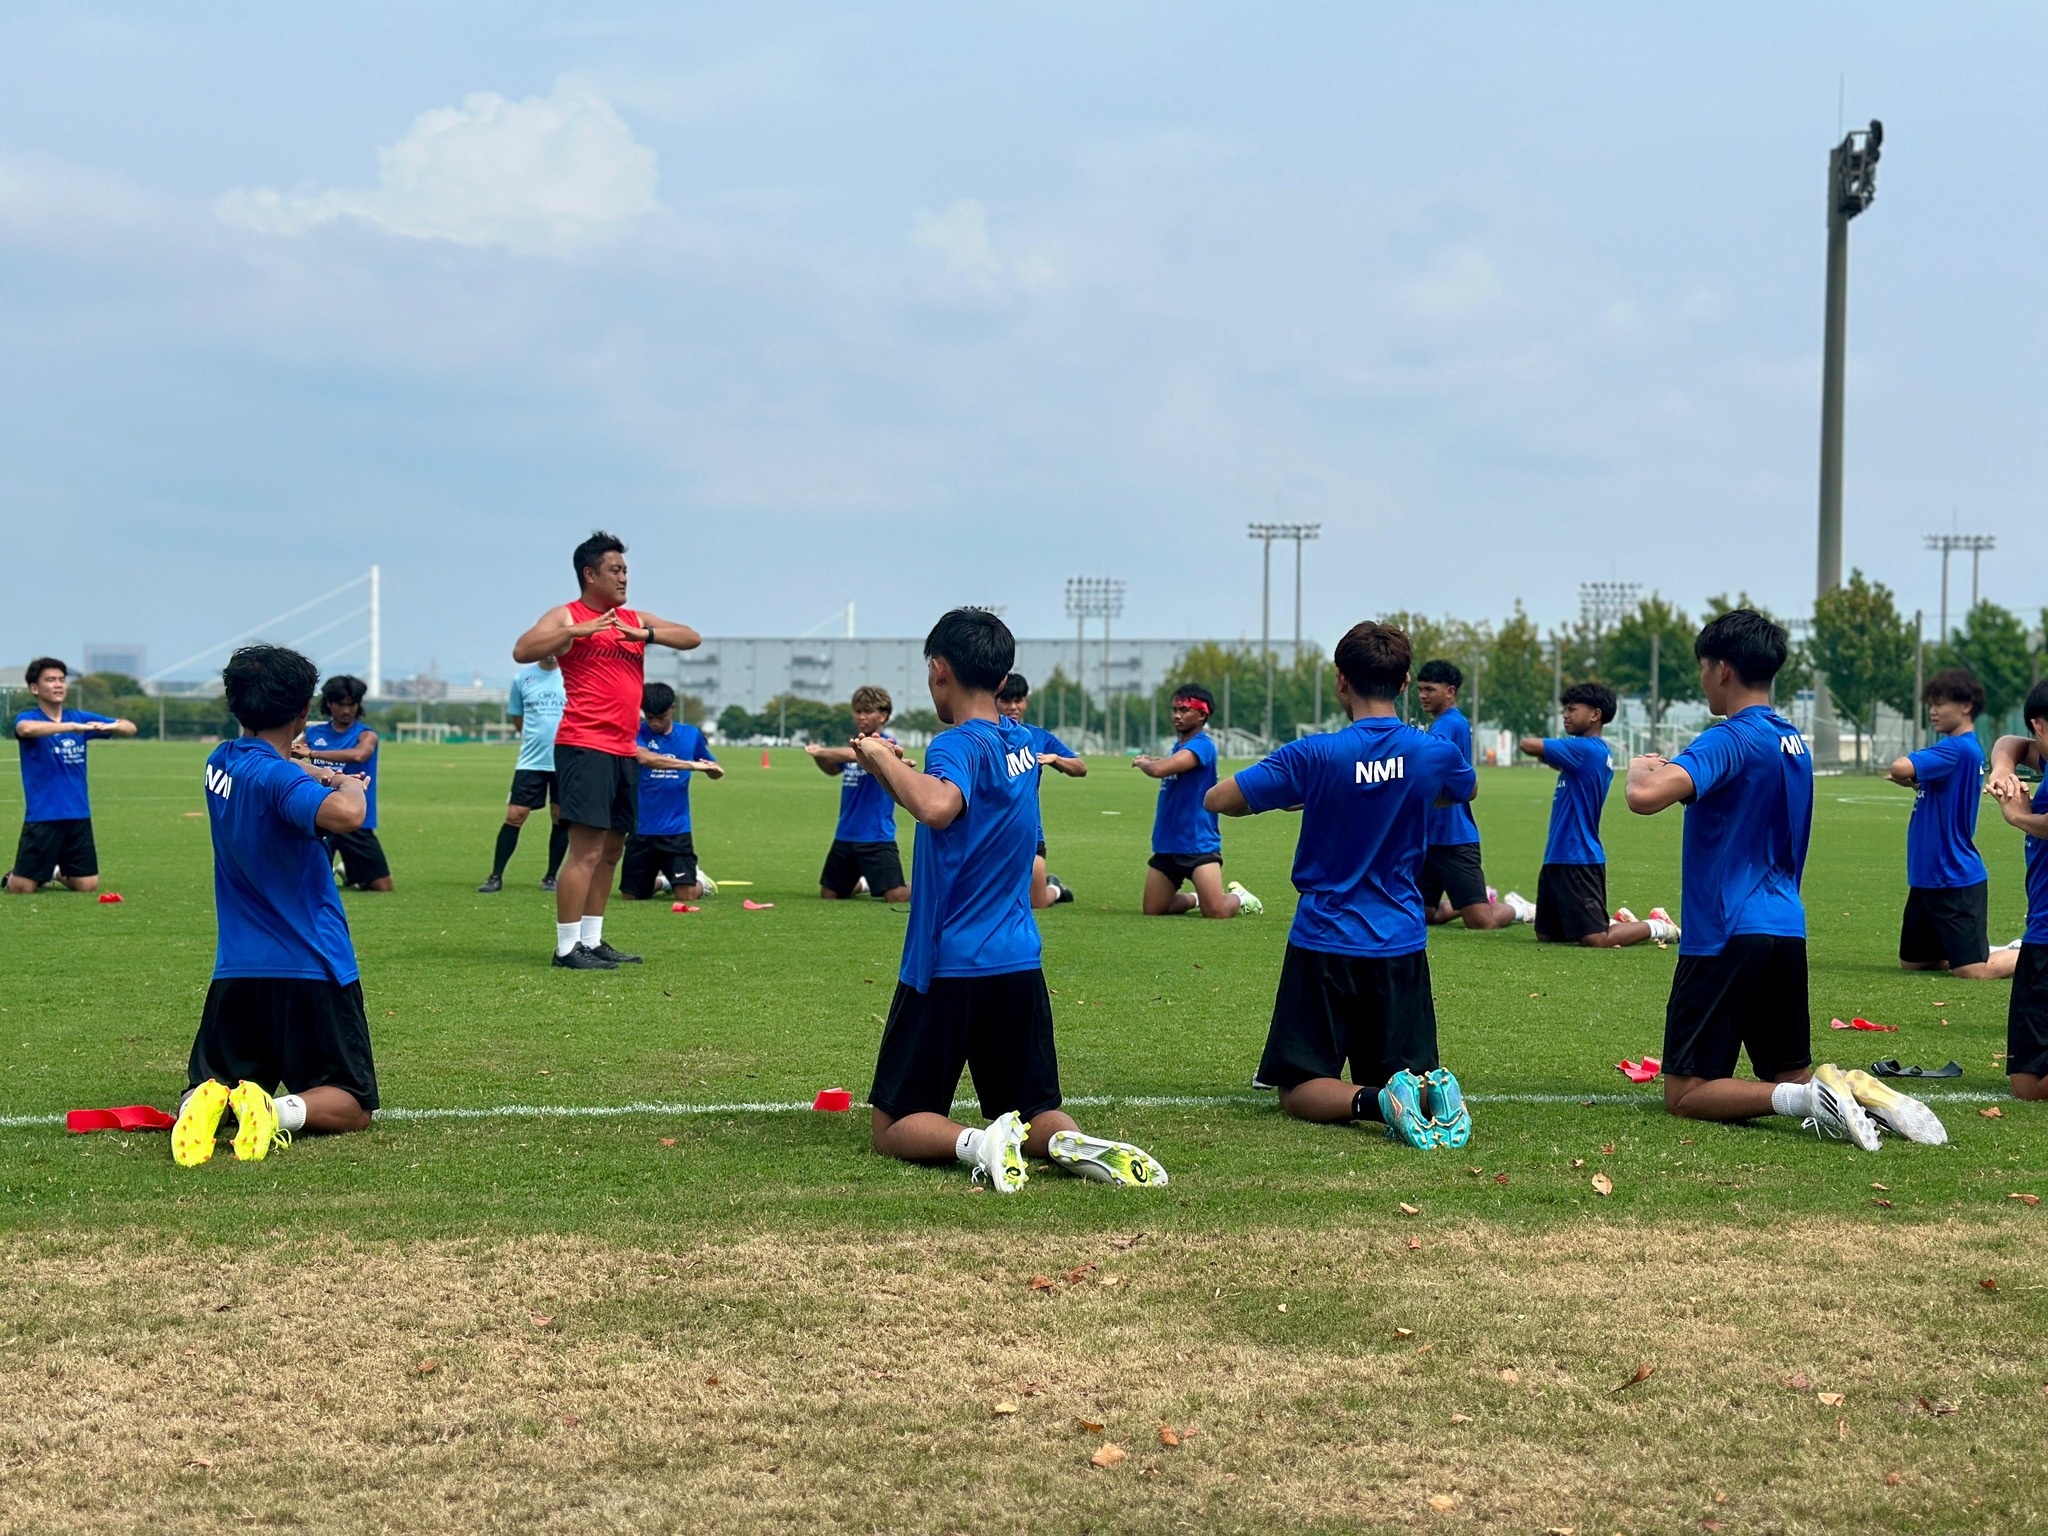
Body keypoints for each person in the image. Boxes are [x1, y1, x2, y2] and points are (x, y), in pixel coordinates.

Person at [856, 608, 1167, 1191]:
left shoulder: (956, 744)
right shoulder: (1023, 743)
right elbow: (957, 807)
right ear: (1002, 680)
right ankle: (1070, 1143)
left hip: (948, 964)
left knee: (892, 1125)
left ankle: (979, 1142)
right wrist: (892, 771)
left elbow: (937, 807)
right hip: (1017, 962)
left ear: (939, 669)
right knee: (1037, 1110)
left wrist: (876, 756)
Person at [1624, 609, 1944, 1148]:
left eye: (1703, 669)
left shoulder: (1729, 738)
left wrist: (1639, 768)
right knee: (1789, 1069)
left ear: (1722, 669)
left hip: (1725, 931)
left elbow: (1644, 798)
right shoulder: (1793, 742)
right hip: (1784, 924)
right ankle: (1852, 1089)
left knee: (1683, 1093)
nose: (1702, 680)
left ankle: (1808, 1100)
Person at [1205, 621, 1476, 1149]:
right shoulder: (1433, 752)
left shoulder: (1314, 756)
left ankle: (1377, 1104)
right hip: (1400, 940)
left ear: (1340, 681)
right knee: (1410, 1076)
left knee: (1298, 1087)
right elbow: (1458, 791)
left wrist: (1308, 795)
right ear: (1403, 685)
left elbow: (1219, 799)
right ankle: (1417, 1099)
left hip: (1325, 940)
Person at [172, 644, 378, 1167]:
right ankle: (274, 1111)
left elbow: (281, 772)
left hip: (238, 968)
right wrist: (347, 783)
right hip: (310, 963)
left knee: (213, 1080)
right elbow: (347, 817)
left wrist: (312, 769)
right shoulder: (280, 779)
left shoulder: (220, 761)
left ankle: (203, 1103)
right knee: (351, 1101)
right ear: (304, 710)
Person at [512, 530, 702, 970]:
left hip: (623, 750)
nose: (623, 578)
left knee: (612, 849)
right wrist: (575, 631)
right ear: (590, 574)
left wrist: (645, 633)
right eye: (615, 571)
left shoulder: (629, 618)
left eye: (626, 571)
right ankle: (565, 949)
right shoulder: (568, 615)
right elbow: (523, 649)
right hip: (584, 747)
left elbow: (691, 636)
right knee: (586, 850)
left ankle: (592, 940)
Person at [1511, 682, 1678, 949]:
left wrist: (1547, 750)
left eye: (1571, 709)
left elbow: (1528, 745)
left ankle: (1659, 926)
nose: (1565, 715)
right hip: (1556, 857)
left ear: (1594, 715)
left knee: (1596, 939)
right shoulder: (1590, 752)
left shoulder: (1586, 749)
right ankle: (1615, 921)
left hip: (1580, 858)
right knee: (1548, 935)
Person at [1886, 669, 2015, 980]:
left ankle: (2030, 951)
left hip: (1954, 877)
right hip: (1927, 878)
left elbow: (1899, 767)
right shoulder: (1961, 750)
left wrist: (1911, 770)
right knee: (1917, 963)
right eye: (1931, 704)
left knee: (1973, 970)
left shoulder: (1956, 748)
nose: (1933, 711)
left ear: (1966, 706)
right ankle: (1973, 948)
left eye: (1940, 703)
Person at [6, 657, 135, 894]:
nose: (58, 685)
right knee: (22, 888)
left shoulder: (80, 717)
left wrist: (110, 726)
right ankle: (12, 876)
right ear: (35, 688)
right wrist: (70, 728)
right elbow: (25, 730)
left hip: (78, 813)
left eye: (62, 680)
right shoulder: (30, 718)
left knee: (87, 885)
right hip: (43, 815)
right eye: (50, 680)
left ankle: (54, 872)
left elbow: (129, 727)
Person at [1413, 660, 1524, 929]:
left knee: (1481, 922)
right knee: (1422, 916)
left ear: (1450, 691)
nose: (1423, 696)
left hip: (1454, 837)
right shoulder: (1445, 723)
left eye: (1430, 689)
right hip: (1429, 835)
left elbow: (1432, 765)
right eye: (1419, 690)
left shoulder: (1448, 725)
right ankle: (1475, 899)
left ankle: (1517, 909)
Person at [1133, 684, 1261, 918]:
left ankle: (1239, 897)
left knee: (1217, 912)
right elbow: (1172, 763)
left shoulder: (1202, 745)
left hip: (1197, 843)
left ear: (1202, 715)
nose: (1176, 715)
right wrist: (1156, 760)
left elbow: (1161, 769)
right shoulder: (1180, 747)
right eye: (1175, 709)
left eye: (1184, 709)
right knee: (1153, 910)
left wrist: (1144, 763)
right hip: (1168, 844)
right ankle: (1197, 897)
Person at [1986, 682, 2048, 1102]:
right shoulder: (2042, 752)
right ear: (2040, 727)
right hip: (2040, 932)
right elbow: (2009, 742)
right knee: (2026, 1085)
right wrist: (2003, 770)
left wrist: (2018, 816)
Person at [806, 685, 910, 903]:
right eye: (858, 711)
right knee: (830, 893)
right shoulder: (856, 741)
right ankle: (864, 883)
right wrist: (818, 757)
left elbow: (857, 754)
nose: (861, 716)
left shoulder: (887, 744)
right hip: (846, 832)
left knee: (897, 896)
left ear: (883, 715)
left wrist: (824, 751)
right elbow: (833, 769)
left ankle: (925, 884)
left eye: (867, 711)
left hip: (876, 835)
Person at [619, 682, 722, 901]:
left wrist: (713, 771)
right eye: (650, 717)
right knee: (631, 896)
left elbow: (712, 767)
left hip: (676, 829)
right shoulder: (634, 731)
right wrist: (691, 765)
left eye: (661, 717)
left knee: (687, 895)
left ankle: (700, 881)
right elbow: (644, 758)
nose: (655, 723)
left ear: (672, 709)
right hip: (641, 827)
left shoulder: (691, 735)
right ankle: (664, 881)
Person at [478, 654, 570, 893]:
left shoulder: (572, 675)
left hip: (566, 759)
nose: (551, 652)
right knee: (515, 815)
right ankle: (496, 876)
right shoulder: (523, 679)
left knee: (560, 816)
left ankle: (551, 876)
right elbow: (518, 719)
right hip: (531, 761)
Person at [995, 672, 1084, 908]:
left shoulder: (1038, 737)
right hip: (993, 831)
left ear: (1026, 702)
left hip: (1030, 831)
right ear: (994, 700)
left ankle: (1054, 888)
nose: (1014, 707)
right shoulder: (986, 736)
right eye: (1006, 701)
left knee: (1037, 903)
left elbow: (1080, 768)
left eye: (1019, 700)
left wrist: (1056, 759)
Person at [295, 675, 390, 892]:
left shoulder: (365, 735)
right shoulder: (313, 733)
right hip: (322, 814)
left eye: (352, 704)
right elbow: (291, 755)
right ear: (329, 703)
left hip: (355, 817)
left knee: (383, 888)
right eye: (340, 704)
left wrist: (313, 753)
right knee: (305, 885)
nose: (346, 710)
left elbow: (359, 755)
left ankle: (350, 873)